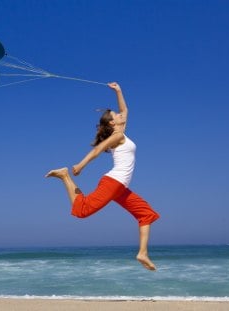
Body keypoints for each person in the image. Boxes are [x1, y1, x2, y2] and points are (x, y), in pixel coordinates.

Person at [45, 82, 160, 271]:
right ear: (113, 123)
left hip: (120, 187)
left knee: (146, 214)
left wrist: (118, 90)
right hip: (113, 182)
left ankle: (142, 253)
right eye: (116, 115)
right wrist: (81, 165)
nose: (120, 114)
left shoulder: (122, 132)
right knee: (82, 211)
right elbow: (98, 149)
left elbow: (125, 109)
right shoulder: (117, 136)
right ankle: (65, 176)